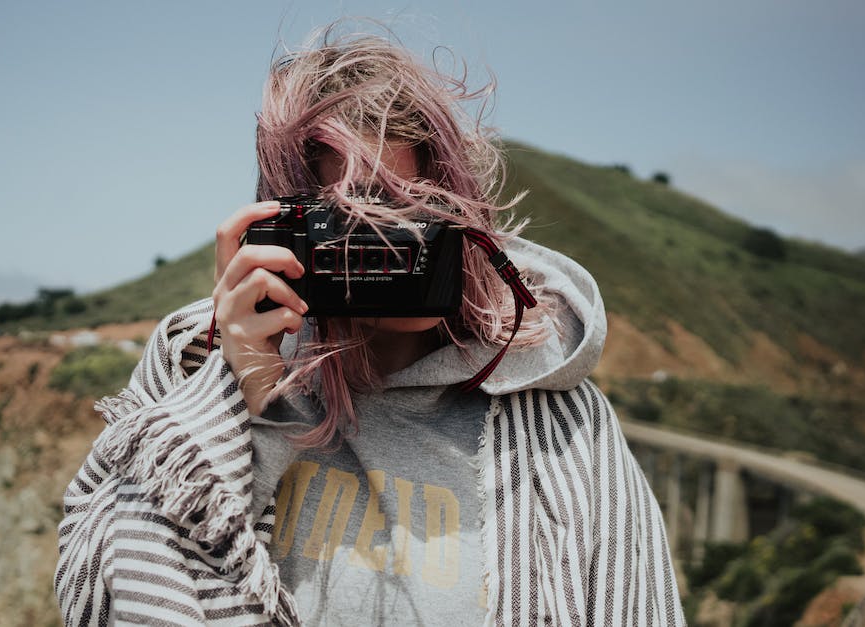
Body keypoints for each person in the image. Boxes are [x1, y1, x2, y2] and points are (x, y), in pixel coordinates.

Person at [55, 24, 683, 627]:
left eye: (424, 210)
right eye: (363, 217)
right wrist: (236, 400)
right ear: (292, 225)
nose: (404, 242)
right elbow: (105, 605)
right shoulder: (193, 365)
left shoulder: (561, 426)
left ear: (467, 209)